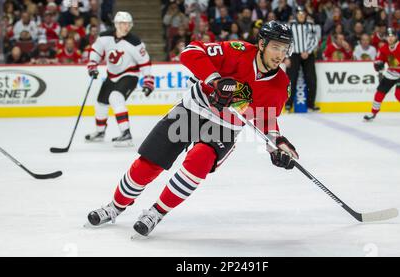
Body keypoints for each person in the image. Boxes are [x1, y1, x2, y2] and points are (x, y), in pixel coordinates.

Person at [86, 21, 299, 238]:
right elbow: (191, 51)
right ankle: (115, 206)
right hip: (193, 108)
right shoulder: (238, 51)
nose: (280, 55)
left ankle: (156, 213)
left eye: (285, 49)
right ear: (262, 44)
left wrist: (277, 145)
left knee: (199, 160)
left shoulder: (281, 84)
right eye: (275, 47)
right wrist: (215, 81)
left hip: (225, 126)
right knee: (149, 163)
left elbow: (266, 118)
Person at [85, 11, 155, 146]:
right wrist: (92, 65)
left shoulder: (135, 42)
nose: (126, 26)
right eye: (123, 23)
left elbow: (145, 63)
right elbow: (96, 51)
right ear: (116, 24)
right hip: (111, 75)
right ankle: (100, 132)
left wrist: (148, 81)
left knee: (116, 97)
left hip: (130, 75)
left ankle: (126, 134)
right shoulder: (104, 37)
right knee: (101, 103)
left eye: (128, 24)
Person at [364, 28, 400, 121]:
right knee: (380, 91)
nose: (390, 38)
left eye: (392, 36)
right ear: (386, 38)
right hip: (392, 72)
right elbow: (379, 60)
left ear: (396, 37)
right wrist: (378, 65)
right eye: (388, 36)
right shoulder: (383, 49)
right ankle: (373, 112)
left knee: (399, 93)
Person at [286, 6, 319, 112]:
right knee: (291, 80)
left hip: (308, 55)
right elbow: (286, 41)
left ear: (305, 15)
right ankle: (288, 104)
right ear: (296, 15)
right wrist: (286, 57)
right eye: (299, 14)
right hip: (293, 55)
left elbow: (315, 40)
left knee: (311, 80)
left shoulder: (311, 25)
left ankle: (311, 104)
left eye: (303, 14)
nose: (301, 16)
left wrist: (308, 51)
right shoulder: (290, 26)